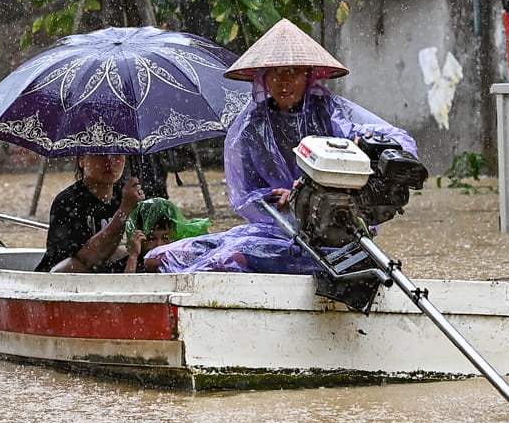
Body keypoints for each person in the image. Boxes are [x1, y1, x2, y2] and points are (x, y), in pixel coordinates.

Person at [146, 19, 415, 274]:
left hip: (332, 233)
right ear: (263, 77)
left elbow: (398, 143)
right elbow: (246, 195)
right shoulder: (251, 127)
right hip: (277, 231)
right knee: (160, 256)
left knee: (228, 259)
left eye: (293, 72)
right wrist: (283, 200)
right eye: (276, 72)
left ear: (309, 75)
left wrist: (362, 149)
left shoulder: (331, 113)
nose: (284, 81)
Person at [36, 153, 143, 272]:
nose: (110, 161)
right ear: (81, 159)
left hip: (111, 280)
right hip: (61, 282)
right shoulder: (69, 202)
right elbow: (89, 259)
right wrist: (125, 210)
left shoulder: (128, 195)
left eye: (117, 153)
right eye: (100, 154)